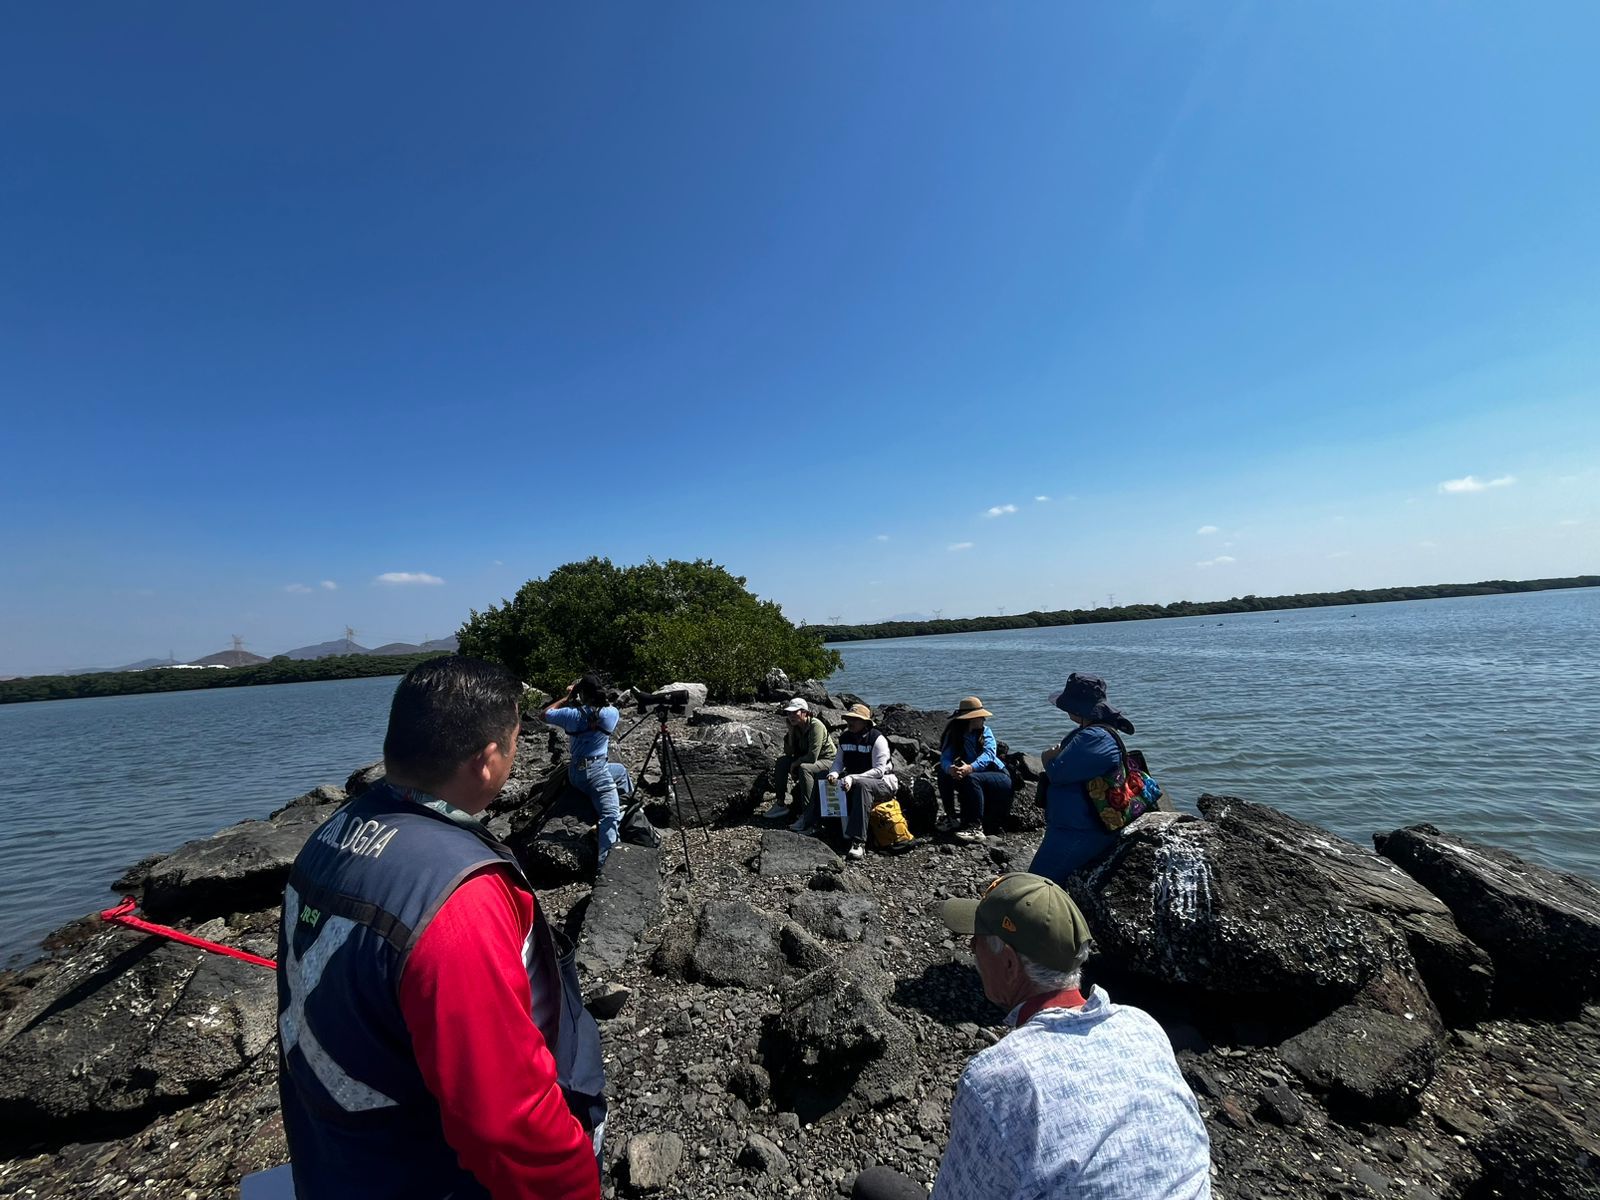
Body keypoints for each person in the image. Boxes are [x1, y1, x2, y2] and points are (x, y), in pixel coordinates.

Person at [277, 656, 605, 1200]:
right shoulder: (458, 897)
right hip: (426, 1174)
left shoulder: (328, 835)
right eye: (514, 743)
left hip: (335, 1160)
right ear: (487, 759)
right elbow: (505, 1121)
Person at [853, 874, 1211, 1200]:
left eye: (976, 942)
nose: (971, 952)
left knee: (874, 1186)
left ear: (1009, 964)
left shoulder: (1000, 1080)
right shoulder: (1142, 1027)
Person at [1030, 673, 1134, 882]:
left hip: (1081, 829)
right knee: (1040, 882)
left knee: (1038, 883)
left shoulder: (1095, 737)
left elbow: (1059, 773)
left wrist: (1046, 757)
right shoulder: (1089, 732)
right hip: (1071, 825)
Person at [542, 673, 633, 868]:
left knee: (620, 770)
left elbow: (546, 714)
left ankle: (624, 806)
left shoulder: (571, 715)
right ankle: (606, 867)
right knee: (609, 815)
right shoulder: (611, 714)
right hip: (596, 773)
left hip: (575, 773)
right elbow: (602, 708)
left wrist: (567, 698)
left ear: (582, 693)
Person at [794, 702, 897, 861]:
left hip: (882, 782)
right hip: (854, 779)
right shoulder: (845, 738)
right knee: (823, 777)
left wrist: (851, 778)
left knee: (863, 786)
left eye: (855, 719)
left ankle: (858, 842)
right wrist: (834, 773)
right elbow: (838, 762)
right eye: (849, 718)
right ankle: (822, 825)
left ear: (865, 722)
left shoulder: (877, 739)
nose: (850, 722)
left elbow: (879, 771)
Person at [937, 696, 1014, 842]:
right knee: (943, 773)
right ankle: (951, 817)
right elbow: (945, 758)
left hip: (999, 776)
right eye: (981, 717)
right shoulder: (954, 734)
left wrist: (970, 768)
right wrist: (950, 769)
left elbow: (989, 754)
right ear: (971, 719)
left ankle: (976, 828)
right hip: (972, 775)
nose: (984, 720)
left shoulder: (986, 732)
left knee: (972, 778)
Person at [762, 696, 839, 822]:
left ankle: (806, 814)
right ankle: (780, 804)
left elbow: (813, 756)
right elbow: (788, 752)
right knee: (782, 762)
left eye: (794, 712)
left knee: (804, 767)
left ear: (804, 712)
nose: (791, 716)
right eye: (789, 713)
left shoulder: (816, 726)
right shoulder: (795, 726)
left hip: (827, 760)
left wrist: (794, 765)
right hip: (808, 759)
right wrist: (791, 732)